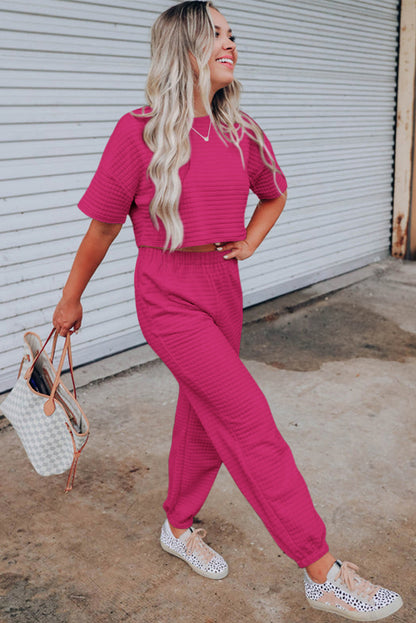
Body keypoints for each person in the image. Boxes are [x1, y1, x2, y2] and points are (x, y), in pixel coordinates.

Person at [52, 2, 403, 619]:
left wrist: (250, 239)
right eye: (215, 33)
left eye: (232, 33)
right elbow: (104, 229)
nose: (230, 43)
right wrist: (70, 297)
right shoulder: (138, 131)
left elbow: (275, 194)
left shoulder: (243, 131)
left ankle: (178, 525)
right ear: (182, 46)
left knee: (203, 415)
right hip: (167, 296)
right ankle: (320, 569)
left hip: (223, 288)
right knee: (248, 420)